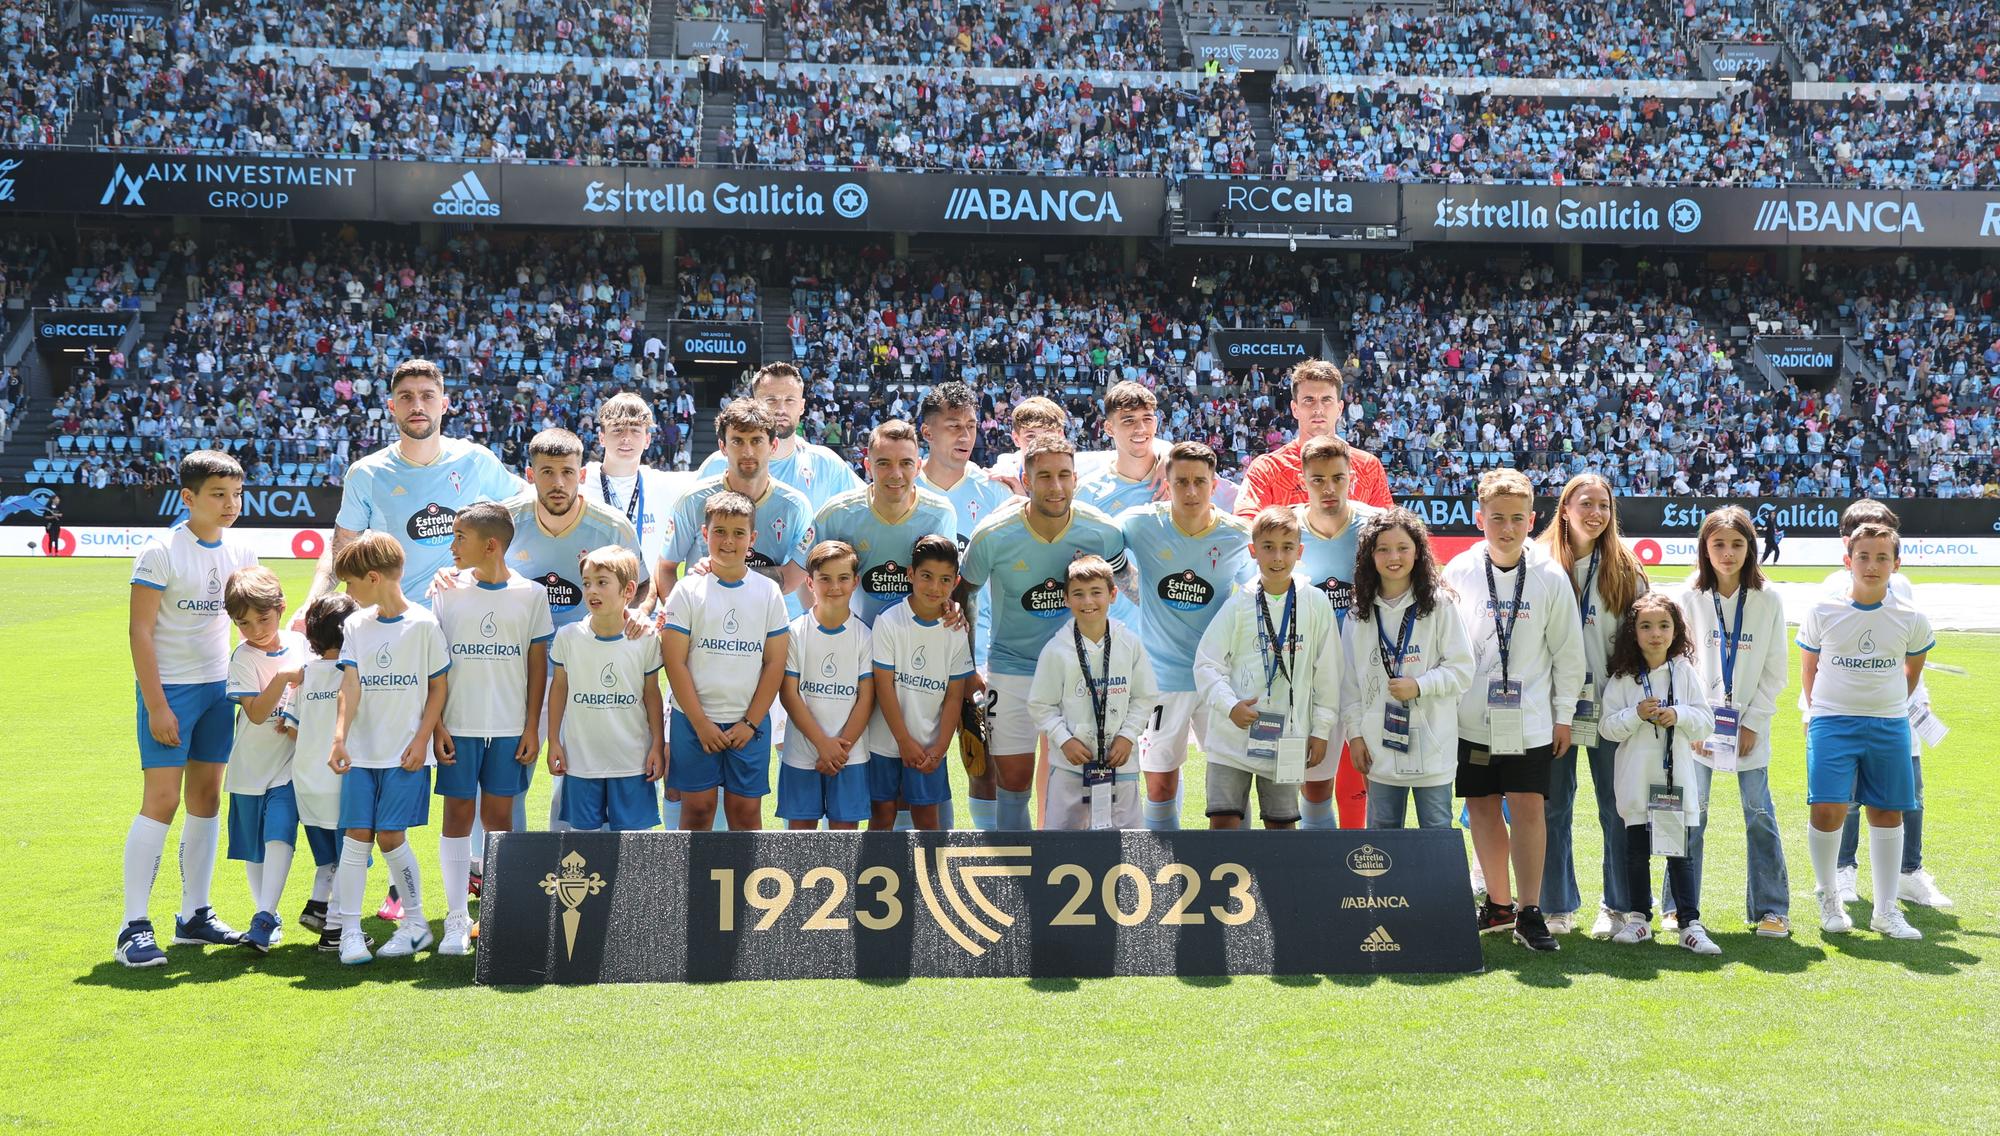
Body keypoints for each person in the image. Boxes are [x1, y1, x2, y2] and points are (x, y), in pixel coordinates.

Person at [117, 449, 260, 968]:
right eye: (218, 495)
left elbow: (259, 616)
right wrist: (156, 704)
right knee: (160, 800)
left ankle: (194, 915)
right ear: (188, 497)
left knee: (206, 798)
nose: (229, 504)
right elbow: (139, 631)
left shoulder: (242, 549)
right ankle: (132, 925)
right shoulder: (160, 551)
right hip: (170, 690)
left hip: (218, 690)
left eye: (236, 494)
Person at [1443, 468, 1585, 952]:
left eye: (1517, 518)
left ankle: (1530, 910)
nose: (1507, 528)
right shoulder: (1459, 570)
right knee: (1480, 807)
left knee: (1528, 807)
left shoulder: (1549, 574)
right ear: (1478, 517)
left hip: (1531, 720)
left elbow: (1569, 652)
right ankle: (1498, 906)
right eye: (1497, 518)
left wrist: (1563, 714)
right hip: (1472, 718)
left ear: (1532, 519)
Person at [962, 435, 1128, 830]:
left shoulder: (1102, 532)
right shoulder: (992, 534)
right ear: (1026, 479)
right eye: (1045, 476)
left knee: (1082, 781)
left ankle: (1078, 872)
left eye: (1064, 476)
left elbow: (1130, 588)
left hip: (1080, 673)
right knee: (1013, 783)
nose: (1056, 486)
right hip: (1012, 669)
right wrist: (968, 666)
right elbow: (963, 595)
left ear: (1076, 480)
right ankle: (1014, 877)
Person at [302, 358, 523, 615]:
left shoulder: (475, 460)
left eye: (427, 396)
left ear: (444, 405)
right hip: (394, 622)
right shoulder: (366, 473)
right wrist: (312, 601)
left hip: (463, 618)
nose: (417, 406)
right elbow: (340, 549)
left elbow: (527, 501)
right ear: (392, 406)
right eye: (406, 397)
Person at [1798, 522, 1932, 941]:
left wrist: (1885, 705)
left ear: (1896, 563)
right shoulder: (1823, 611)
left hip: (1889, 724)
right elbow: (1809, 671)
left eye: (1881, 557)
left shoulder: (1911, 618)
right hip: (1833, 722)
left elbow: (1912, 672)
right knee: (1827, 809)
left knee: (1888, 812)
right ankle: (1829, 897)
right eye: (1863, 557)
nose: (1871, 565)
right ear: (1847, 560)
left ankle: (1886, 910)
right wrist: (1826, 711)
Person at [430, 504, 552, 954]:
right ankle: (456, 919)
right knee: (458, 817)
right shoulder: (445, 591)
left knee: (499, 821)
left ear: (491, 545)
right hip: (458, 727)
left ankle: (499, 914)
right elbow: (434, 665)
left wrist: (530, 727)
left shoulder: (531, 596)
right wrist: (438, 723)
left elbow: (537, 666)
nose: (451, 546)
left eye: (459, 537)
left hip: (507, 729)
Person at [1536, 472, 1649, 938]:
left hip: (1611, 709)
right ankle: (1556, 904)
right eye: (1585, 503)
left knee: (1616, 806)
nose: (1595, 513)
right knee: (1553, 806)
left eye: (1603, 505)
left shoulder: (1626, 568)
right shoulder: (1539, 563)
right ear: (1565, 508)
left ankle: (1618, 905)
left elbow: (1646, 639)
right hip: (1552, 709)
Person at [1117, 441, 1253, 830]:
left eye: (1200, 482)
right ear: (1167, 481)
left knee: (1231, 785)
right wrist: (1134, 589)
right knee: (1159, 786)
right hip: (1162, 680)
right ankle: (1163, 873)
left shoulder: (1236, 535)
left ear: (1214, 484)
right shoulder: (1140, 523)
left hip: (1220, 680)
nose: (1191, 492)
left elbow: (1255, 593)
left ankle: (1233, 871)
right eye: (1181, 483)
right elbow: (1103, 547)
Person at [328, 533, 450, 965]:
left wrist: (422, 740)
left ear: (374, 577)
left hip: (405, 754)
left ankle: (415, 926)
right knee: (356, 836)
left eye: (351, 583)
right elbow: (350, 684)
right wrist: (340, 736)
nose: (347, 593)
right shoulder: (356, 626)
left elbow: (438, 688)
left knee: (391, 836)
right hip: (361, 753)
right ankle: (349, 932)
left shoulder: (424, 625)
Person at [1823, 501, 1952, 909]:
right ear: (1848, 543)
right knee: (1848, 795)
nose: (1875, 557)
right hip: (1847, 709)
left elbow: (1912, 651)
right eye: (1864, 537)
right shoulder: (1832, 586)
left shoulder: (1905, 585)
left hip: (1899, 708)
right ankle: (1844, 871)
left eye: (1885, 541)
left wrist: (1913, 697)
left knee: (1909, 792)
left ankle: (1908, 873)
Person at [1674, 506, 1793, 938]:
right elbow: (1678, 663)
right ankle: (1679, 906)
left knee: (1759, 813)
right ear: (1704, 548)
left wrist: (1753, 723)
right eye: (1718, 544)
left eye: (1737, 544)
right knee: (1693, 813)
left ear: (1751, 547)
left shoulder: (1768, 598)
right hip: (1699, 726)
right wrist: (1692, 721)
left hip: (1748, 729)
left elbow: (1775, 669)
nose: (1727, 553)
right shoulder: (1688, 596)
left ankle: (1771, 909)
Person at [1193, 507, 1343, 830]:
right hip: (1233, 738)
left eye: (1287, 547)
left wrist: (1321, 729)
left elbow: (1329, 672)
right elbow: (1206, 663)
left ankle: (1278, 884)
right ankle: (1227, 882)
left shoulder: (1316, 603)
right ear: (1253, 551)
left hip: (1287, 738)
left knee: (1282, 829)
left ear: (1299, 552)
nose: (1278, 557)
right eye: (1268, 547)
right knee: (1224, 824)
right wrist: (1228, 705)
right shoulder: (1238, 604)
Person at [917, 381, 1018, 829]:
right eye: (952, 426)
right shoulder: (904, 487)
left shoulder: (994, 493)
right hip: (920, 652)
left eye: (971, 426)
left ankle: (987, 857)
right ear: (927, 432)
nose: (964, 436)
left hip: (985, 652)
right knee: (923, 759)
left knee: (985, 763)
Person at [660, 492, 790, 832]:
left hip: (749, 722)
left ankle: (752, 886)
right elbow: (674, 662)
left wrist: (750, 722)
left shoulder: (768, 592)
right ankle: (691, 885)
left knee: (745, 814)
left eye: (738, 532)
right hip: (694, 722)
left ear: (752, 539)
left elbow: (775, 663)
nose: (728, 541)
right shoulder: (687, 591)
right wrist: (701, 723)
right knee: (699, 810)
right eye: (719, 531)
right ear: (705, 534)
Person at [1600, 593, 1720, 955]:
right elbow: (1607, 728)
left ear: (1676, 631)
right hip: (1636, 783)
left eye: (1664, 626)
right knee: (1635, 853)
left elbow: (1706, 723)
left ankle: (1689, 924)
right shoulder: (1623, 679)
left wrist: (1679, 715)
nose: (1656, 634)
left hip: (1674, 785)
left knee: (1679, 855)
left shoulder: (1684, 673)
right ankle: (1639, 920)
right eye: (1646, 626)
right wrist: (1636, 714)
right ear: (1633, 633)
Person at [1342, 509, 1475, 830]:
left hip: (1434, 746)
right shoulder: (1358, 614)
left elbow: (1462, 670)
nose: (1394, 557)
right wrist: (1355, 736)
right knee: (1383, 838)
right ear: (1369, 556)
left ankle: (1439, 884)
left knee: (1436, 832)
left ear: (1418, 552)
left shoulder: (1440, 605)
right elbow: (1349, 685)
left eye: (1403, 547)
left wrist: (1421, 685)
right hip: (1380, 747)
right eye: (1383, 549)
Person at [1292, 434, 1383, 831]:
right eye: (1318, 480)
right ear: (1302, 480)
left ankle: (1372, 873)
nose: (1328, 488)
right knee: (1314, 785)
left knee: (1379, 778)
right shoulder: (1287, 529)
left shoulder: (1375, 527)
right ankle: (1324, 879)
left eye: (1337, 478)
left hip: (1370, 672)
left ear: (1352, 478)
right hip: (1312, 678)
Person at [1030, 556, 1159, 830]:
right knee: (1065, 848)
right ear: (1066, 599)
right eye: (1078, 594)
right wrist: (1064, 740)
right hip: (1070, 767)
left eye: (1096, 592)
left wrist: (1126, 736)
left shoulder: (1130, 644)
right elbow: (1041, 705)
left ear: (1113, 595)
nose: (1088, 601)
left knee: (1126, 848)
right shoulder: (1056, 650)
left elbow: (1145, 696)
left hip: (1120, 763)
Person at [220, 566, 308, 954]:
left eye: (263, 618)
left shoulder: (300, 644)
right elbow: (255, 713)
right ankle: (264, 914)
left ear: (281, 607)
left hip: (290, 765)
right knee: (255, 846)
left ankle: (266, 914)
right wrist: (284, 679)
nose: (255, 629)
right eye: (244, 623)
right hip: (250, 767)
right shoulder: (242, 657)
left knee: (280, 832)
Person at [547, 547, 665, 832]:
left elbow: (652, 695)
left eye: (602, 582)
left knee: (633, 848)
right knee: (584, 845)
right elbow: (559, 689)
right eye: (586, 583)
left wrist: (657, 745)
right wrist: (553, 741)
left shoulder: (646, 639)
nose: (591, 591)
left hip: (632, 762)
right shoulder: (569, 637)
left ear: (628, 589)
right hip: (582, 762)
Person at [662, 399, 816, 618]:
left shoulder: (796, 507)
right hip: (703, 626)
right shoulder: (692, 501)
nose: (747, 451)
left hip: (764, 629)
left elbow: (792, 577)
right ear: (722, 447)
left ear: (773, 446)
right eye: (737, 441)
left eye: (756, 441)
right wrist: (677, 620)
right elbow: (667, 568)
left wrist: (719, 573)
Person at [867, 534, 975, 831]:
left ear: (955, 582)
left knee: (928, 820)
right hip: (885, 742)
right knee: (882, 815)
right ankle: (874, 876)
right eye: (926, 576)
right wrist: (903, 741)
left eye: (944, 580)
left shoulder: (955, 630)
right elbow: (883, 686)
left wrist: (939, 748)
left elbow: (954, 696)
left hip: (929, 746)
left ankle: (930, 878)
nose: (934, 587)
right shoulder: (889, 620)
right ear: (910, 574)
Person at [284, 593, 368, 953]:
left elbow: (291, 727)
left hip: (305, 781)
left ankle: (319, 904)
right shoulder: (352, 673)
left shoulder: (305, 675)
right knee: (352, 855)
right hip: (341, 781)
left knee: (326, 858)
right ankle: (335, 927)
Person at [813, 420, 957, 627]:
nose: (896, 474)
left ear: (918, 467)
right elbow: (806, 577)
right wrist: (820, 628)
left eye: (906, 463)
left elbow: (948, 581)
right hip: (856, 643)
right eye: (884, 463)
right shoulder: (836, 514)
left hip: (914, 641)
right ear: (868, 466)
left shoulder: (941, 514)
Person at [777, 541, 876, 831]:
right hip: (803, 753)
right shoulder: (795, 633)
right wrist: (823, 745)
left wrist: (839, 749)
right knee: (800, 836)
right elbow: (790, 694)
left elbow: (866, 699)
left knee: (844, 838)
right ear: (809, 583)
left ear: (855, 582)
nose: (835, 586)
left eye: (843, 578)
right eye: (825, 579)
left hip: (850, 754)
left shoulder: (864, 636)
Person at [696, 362, 862, 515]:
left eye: (790, 400)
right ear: (754, 403)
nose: (780, 409)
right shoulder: (717, 465)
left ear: (802, 406)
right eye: (771, 400)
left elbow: (866, 511)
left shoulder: (827, 465)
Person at [1233, 360, 1392, 518]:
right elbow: (1245, 527)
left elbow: (1388, 529)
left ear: (1340, 408)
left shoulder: (1368, 466)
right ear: (1295, 409)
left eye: (1326, 400)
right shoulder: (1267, 469)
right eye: (1309, 400)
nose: (1318, 409)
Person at [581, 392, 693, 608]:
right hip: (590, 613)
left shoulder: (665, 485)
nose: (626, 438)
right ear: (602, 437)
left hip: (645, 614)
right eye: (617, 430)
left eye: (635, 431)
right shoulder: (580, 483)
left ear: (647, 439)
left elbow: (719, 474)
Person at [1077, 381, 1166, 630]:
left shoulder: (1180, 484)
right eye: (1128, 420)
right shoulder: (1089, 493)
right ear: (1108, 427)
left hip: (1168, 637)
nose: (1140, 428)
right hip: (1111, 635)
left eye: (1147, 418)